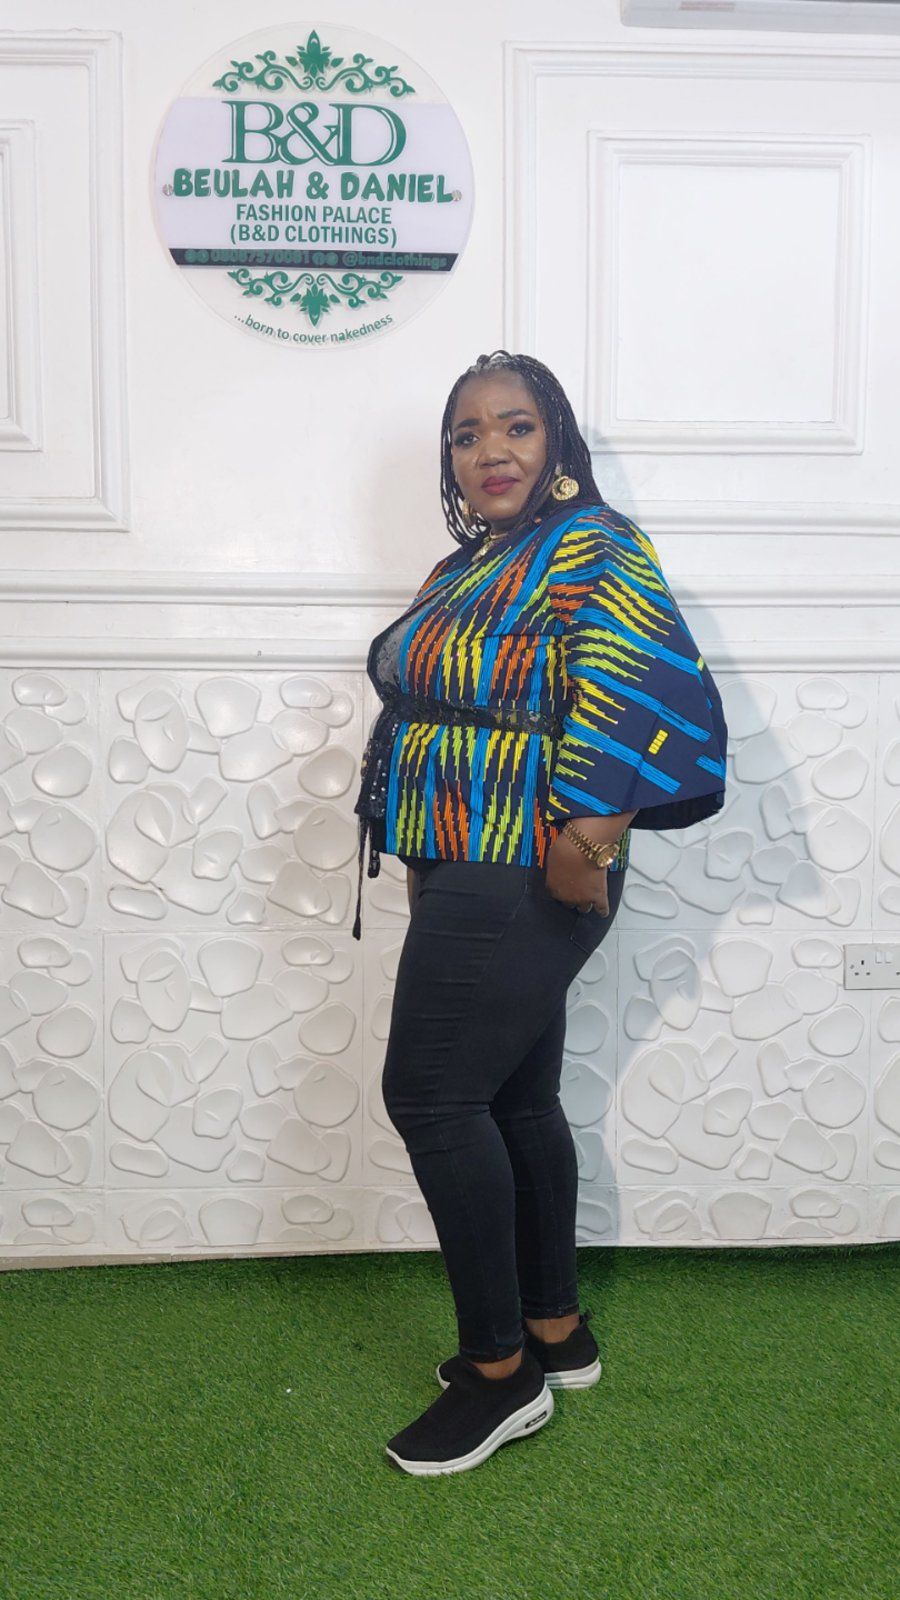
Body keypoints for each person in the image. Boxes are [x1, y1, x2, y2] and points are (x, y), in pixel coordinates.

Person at [352, 350, 728, 1476]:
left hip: (525, 860)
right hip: (459, 852)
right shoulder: (472, 562)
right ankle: (557, 1331)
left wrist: (587, 839)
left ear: (555, 439)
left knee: (430, 1094)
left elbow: (641, 683)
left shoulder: (593, 545)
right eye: (468, 434)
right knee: (514, 1095)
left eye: (515, 426)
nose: (492, 450)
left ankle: (500, 1373)